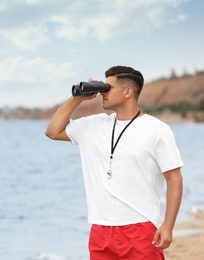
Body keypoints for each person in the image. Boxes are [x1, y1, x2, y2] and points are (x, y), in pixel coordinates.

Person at [45, 65, 183, 260]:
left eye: (108, 87)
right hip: (101, 229)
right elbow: (52, 131)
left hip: (140, 227)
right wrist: (76, 98)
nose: (103, 92)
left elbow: (174, 178)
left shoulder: (157, 130)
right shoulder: (93, 125)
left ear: (128, 92)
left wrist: (168, 226)